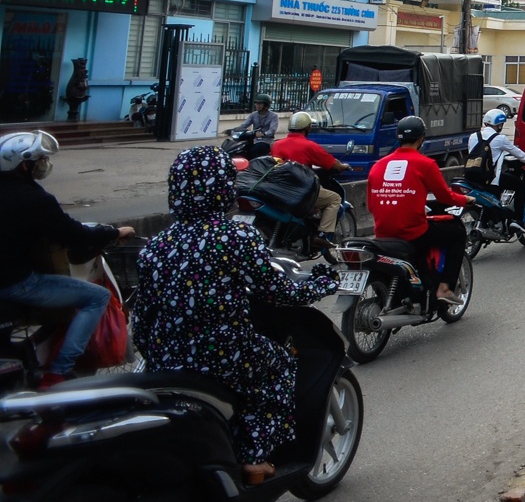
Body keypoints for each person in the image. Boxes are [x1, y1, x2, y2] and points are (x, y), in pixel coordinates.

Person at [135, 145, 339, 480]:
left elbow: (143, 318)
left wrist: (154, 352)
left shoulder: (158, 244)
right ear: (223, 188)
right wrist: (322, 284)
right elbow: (280, 292)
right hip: (223, 351)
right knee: (280, 367)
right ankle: (254, 457)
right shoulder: (237, 237)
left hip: (164, 356)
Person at [0, 132, 133, 387]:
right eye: (40, 160)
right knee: (98, 297)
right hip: (16, 283)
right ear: (24, 164)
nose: (44, 165)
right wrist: (114, 232)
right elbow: (74, 234)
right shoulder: (35, 199)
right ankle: (59, 372)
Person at [368, 116, 470, 307]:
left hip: (382, 232)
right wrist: (466, 199)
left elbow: (371, 205)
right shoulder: (425, 164)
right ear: (421, 138)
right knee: (457, 232)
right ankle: (444, 288)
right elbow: (445, 197)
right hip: (412, 231)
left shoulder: (377, 166)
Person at [270, 112, 345, 241]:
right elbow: (332, 163)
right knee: (334, 199)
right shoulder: (309, 146)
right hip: (301, 190)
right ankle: (322, 236)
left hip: (280, 189)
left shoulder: (276, 144)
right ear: (307, 128)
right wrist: (344, 167)